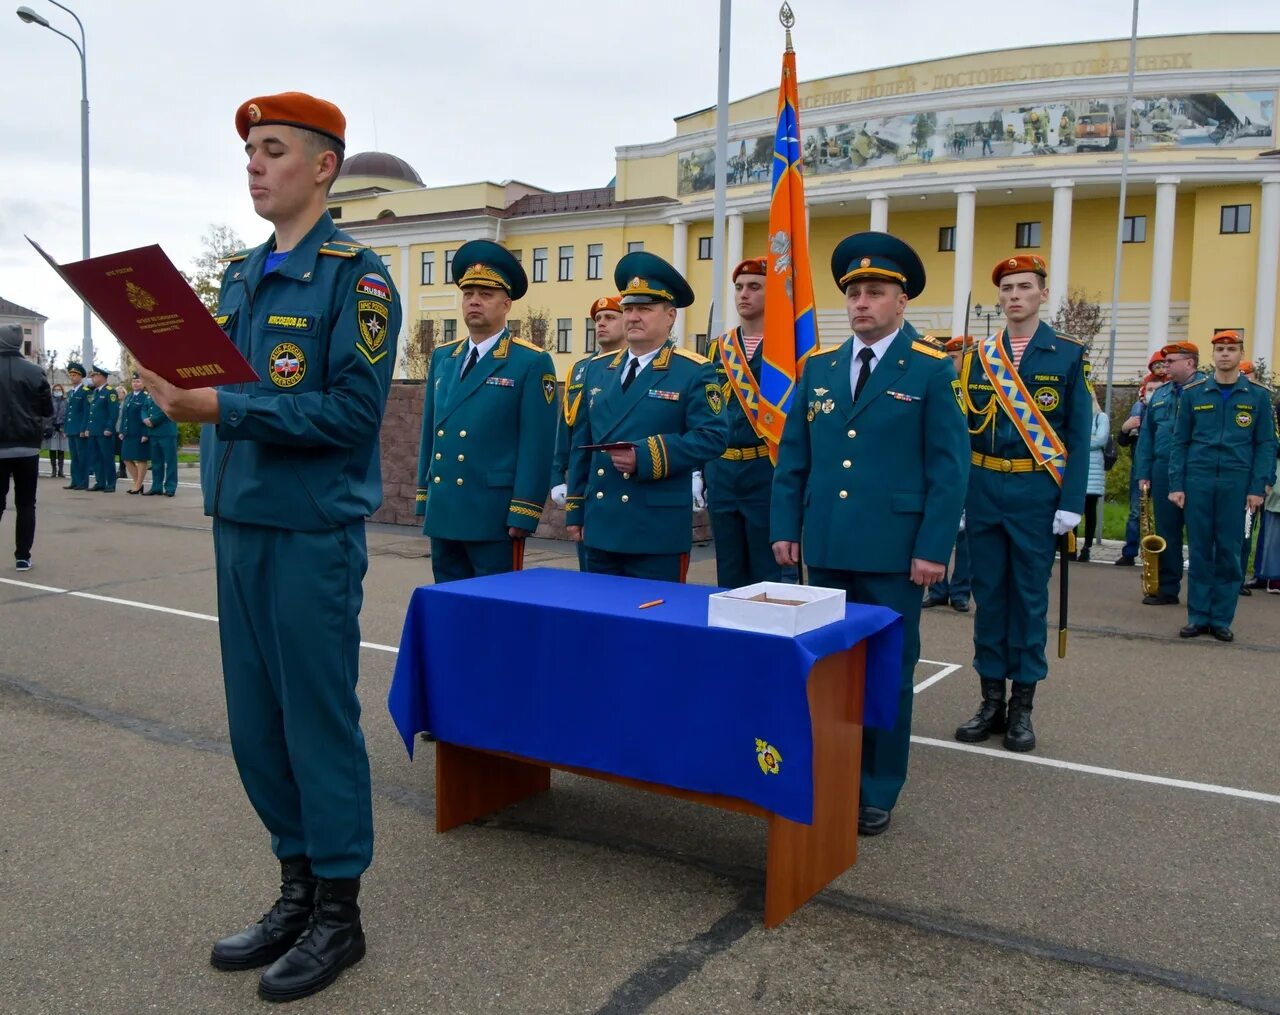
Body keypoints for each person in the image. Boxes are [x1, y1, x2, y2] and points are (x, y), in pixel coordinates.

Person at [139, 90, 399, 1002]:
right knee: (256, 725)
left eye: (274, 149)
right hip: (240, 524)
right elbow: (220, 391)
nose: (255, 163)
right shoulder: (241, 277)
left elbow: (352, 412)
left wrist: (222, 406)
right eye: (250, 150)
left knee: (315, 722)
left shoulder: (355, 278)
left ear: (323, 166)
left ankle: (340, 911)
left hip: (310, 532)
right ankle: (295, 889)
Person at [771, 232, 968, 837]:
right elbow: (795, 457)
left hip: (894, 555)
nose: (860, 303)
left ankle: (877, 787)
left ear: (901, 301)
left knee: (887, 670)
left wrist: (934, 548)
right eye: (853, 293)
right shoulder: (821, 367)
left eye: (874, 292)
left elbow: (949, 466)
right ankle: (830, 771)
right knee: (827, 668)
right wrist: (786, 527)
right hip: (828, 546)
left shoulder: (930, 370)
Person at [953, 254, 1090, 754]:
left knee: (1029, 599)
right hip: (985, 487)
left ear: (1041, 295)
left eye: (1024, 287)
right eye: (1007, 288)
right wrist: (961, 496)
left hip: (1036, 492)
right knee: (990, 598)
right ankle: (990, 700)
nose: (1014, 295)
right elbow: (962, 432)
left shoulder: (1069, 355)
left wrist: (1071, 501)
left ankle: (1022, 707)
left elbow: (1075, 435)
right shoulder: (978, 357)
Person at [566, 251, 728, 581]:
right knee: (600, 621)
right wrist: (575, 510)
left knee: (652, 625)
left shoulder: (693, 371)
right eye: (628, 308)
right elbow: (581, 443)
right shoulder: (595, 371)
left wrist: (648, 455)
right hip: (601, 523)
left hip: (655, 531)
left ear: (670, 316)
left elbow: (713, 437)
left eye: (645, 308)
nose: (633, 317)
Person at [415, 239, 557, 584]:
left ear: (506, 304)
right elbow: (430, 432)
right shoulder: (443, 357)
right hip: (446, 507)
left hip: (493, 515)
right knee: (448, 607)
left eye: (485, 294)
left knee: (495, 612)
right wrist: (424, 497)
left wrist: (524, 510)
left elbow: (536, 445)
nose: (474, 301)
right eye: (468, 293)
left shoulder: (530, 361)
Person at [1169, 331, 1277, 641]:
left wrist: (1259, 486)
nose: (1225, 354)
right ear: (1212, 355)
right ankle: (1198, 616)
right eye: (1220, 349)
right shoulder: (1194, 393)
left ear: (1240, 353)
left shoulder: (1257, 395)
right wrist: (1177, 484)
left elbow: (1265, 444)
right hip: (1199, 480)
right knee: (1201, 549)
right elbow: (1181, 442)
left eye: (1231, 349)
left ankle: (1221, 619)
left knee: (1230, 551)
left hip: (1237, 483)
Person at [704, 257, 795, 587]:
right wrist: (701, 470)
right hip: (722, 470)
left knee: (771, 570)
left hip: (767, 467)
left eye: (755, 287)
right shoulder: (718, 349)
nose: (744, 294)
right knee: (728, 570)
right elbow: (705, 408)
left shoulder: (789, 349)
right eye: (739, 288)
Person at [550, 295, 626, 570]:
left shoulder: (637, 367)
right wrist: (558, 474)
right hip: (589, 486)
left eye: (610, 317)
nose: (601, 324)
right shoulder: (581, 370)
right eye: (598, 319)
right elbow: (569, 428)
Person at [1134, 341, 1199, 605]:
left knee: (1199, 531)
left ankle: (1201, 594)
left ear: (1190, 363)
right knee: (1166, 530)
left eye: (1171, 361)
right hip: (1162, 469)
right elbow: (1147, 436)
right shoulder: (1160, 395)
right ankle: (1167, 587)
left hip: (1195, 470)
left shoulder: (1204, 390)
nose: (1165, 366)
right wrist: (1143, 472)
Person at [923, 335, 972, 610]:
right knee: (935, 529)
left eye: (953, 357)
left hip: (965, 468)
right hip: (935, 467)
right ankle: (937, 589)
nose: (947, 362)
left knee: (965, 537)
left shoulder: (971, 386)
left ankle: (961, 591)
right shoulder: (932, 382)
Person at [0, 323, 54, 571]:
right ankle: (23, 555)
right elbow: (47, 410)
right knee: (25, 503)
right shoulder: (35, 372)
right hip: (27, 447)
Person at [1114, 372, 1161, 566]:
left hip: (1161, 467)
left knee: (1161, 512)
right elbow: (1123, 442)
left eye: (1157, 390)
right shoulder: (1138, 411)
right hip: (1140, 467)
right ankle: (1130, 551)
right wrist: (1125, 428)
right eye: (1150, 390)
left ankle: (1158, 552)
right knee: (1136, 511)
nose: (1153, 393)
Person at [1077, 384, 1109, 562]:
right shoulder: (1077, 416)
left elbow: (1101, 439)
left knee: (1090, 509)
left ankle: (1087, 546)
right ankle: (1070, 545)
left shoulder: (1100, 417)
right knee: (1073, 506)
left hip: (1093, 469)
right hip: (1077, 466)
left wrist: (1079, 443)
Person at [86, 367, 118, 493]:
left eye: (94, 376)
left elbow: (113, 412)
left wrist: (109, 427)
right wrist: (88, 428)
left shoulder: (110, 392)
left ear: (102, 377)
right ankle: (100, 482)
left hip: (104, 431)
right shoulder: (96, 392)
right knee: (96, 457)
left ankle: (111, 483)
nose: (92, 379)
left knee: (107, 457)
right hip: (94, 430)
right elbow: (92, 413)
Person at [142, 392, 179, 497]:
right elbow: (144, 408)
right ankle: (156, 487)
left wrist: (153, 420)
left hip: (166, 431)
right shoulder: (150, 394)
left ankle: (170, 488)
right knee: (156, 462)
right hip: (153, 432)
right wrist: (145, 419)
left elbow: (167, 409)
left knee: (170, 461)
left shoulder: (165, 392)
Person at [120, 375, 151, 494]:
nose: (135, 384)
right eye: (133, 381)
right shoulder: (129, 396)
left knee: (141, 458)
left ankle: (137, 485)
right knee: (126, 458)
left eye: (138, 381)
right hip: (129, 432)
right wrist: (122, 430)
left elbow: (146, 415)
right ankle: (138, 483)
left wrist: (145, 433)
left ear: (143, 384)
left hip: (140, 432)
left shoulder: (145, 397)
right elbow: (124, 416)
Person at [63, 361, 92, 490]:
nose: (72, 377)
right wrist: (66, 427)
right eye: (71, 375)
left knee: (82, 457)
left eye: (75, 375)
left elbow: (86, 412)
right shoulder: (70, 393)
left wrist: (84, 428)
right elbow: (68, 412)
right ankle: (75, 480)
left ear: (81, 377)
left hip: (79, 429)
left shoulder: (85, 391)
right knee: (74, 457)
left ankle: (83, 482)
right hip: (71, 428)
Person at [44, 381, 68, 478]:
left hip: (62, 428)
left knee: (61, 449)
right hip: (53, 427)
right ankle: (54, 470)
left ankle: (61, 471)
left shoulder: (65, 401)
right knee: (53, 449)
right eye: (55, 390)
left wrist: (62, 425)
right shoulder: (49, 401)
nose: (57, 391)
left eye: (59, 390)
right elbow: (48, 413)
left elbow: (66, 414)